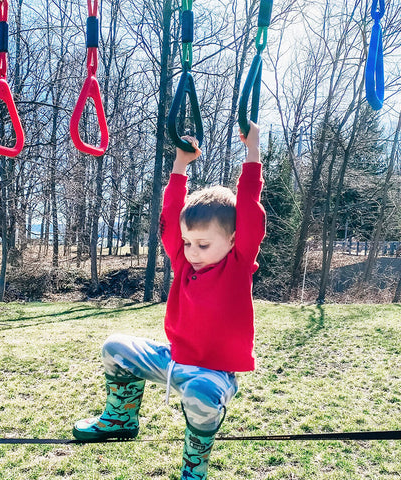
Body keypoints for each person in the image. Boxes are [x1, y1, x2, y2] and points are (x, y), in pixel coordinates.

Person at [73, 121, 265, 480]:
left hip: (213, 375)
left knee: (204, 393)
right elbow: (169, 216)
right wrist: (180, 165)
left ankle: (194, 465)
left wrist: (252, 153)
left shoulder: (237, 266)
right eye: (188, 242)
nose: (191, 251)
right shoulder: (183, 261)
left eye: (203, 244)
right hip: (173, 361)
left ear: (234, 239)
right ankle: (121, 417)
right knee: (115, 347)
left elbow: (251, 209)